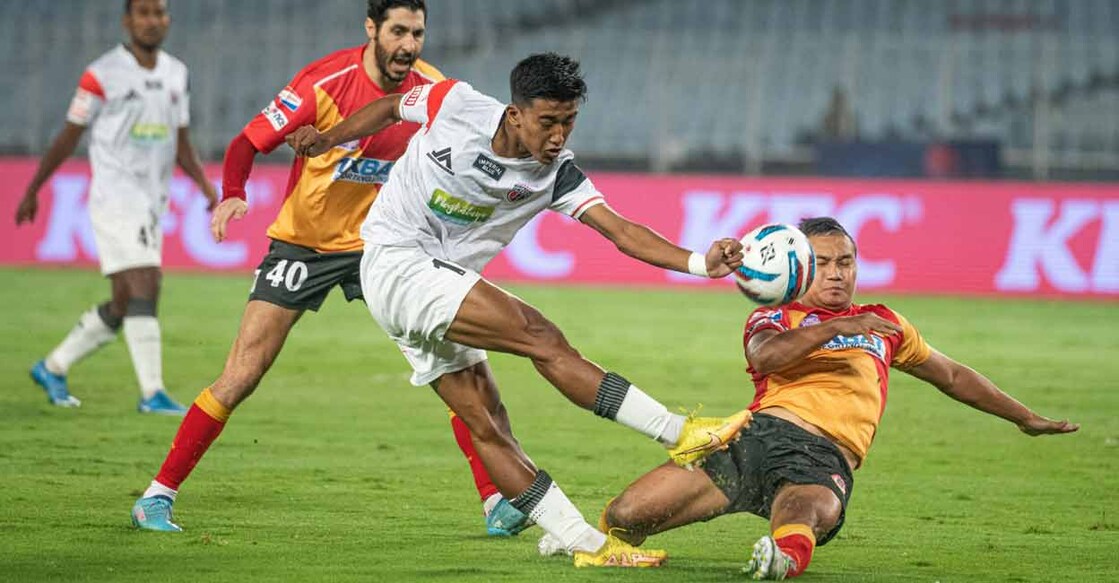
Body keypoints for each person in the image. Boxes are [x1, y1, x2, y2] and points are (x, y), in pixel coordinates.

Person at [286, 53, 753, 567]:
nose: (558, 136)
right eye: (547, 122)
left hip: (429, 284)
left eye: (568, 121)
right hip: (397, 261)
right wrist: (330, 139)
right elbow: (394, 107)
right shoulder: (454, 104)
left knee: (487, 422)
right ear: (515, 114)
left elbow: (620, 231)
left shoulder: (558, 175)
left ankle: (586, 544)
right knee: (540, 336)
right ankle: (678, 433)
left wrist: (700, 263)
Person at [129, 0, 516, 536]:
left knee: (450, 368)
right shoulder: (324, 82)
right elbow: (247, 142)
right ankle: (157, 496)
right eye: (398, 31)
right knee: (243, 373)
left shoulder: (431, 89)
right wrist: (233, 194)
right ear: (372, 30)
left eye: (418, 34)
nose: (409, 45)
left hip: (385, 247)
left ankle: (495, 500)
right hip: (303, 246)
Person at [579, 217, 1079, 579]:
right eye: (822, 264)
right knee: (626, 515)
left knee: (805, 511)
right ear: (798, 269)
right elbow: (769, 357)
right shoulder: (775, 317)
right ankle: (606, 547)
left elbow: (951, 375)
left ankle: (778, 561)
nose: (837, 273)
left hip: (822, 455)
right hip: (753, 440)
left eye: (846, 261)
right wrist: (841, 326)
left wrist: (1024, 417)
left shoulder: (884, 323)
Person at [15, 0, 217, 413]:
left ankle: (53, 366)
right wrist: (34, 187)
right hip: (116, 196)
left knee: (126, 301)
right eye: (143, 13)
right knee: (147, 283)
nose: (152, 21)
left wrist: (205, 186)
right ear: (128, 21)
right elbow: (70, 136)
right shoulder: (101, 74)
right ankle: (152, 394)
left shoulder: (176, 73)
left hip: (152, 200)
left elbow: (181, 140)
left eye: (159, 13)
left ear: (167, 20)